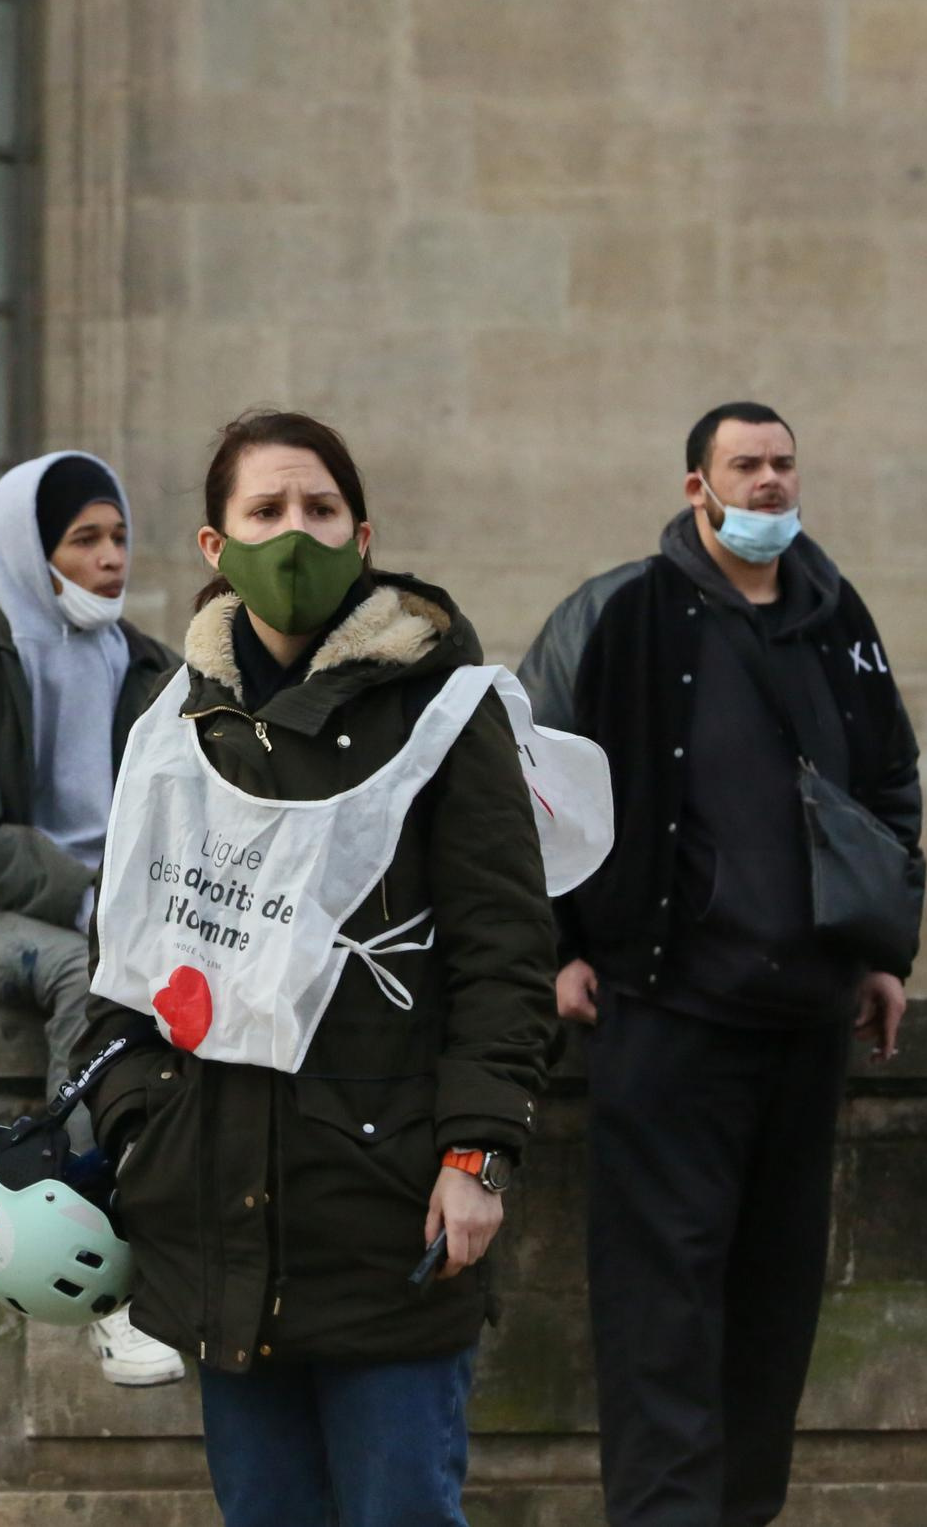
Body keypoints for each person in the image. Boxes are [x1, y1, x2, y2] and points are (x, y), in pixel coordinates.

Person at [79, 410, 563, 1526]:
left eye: (317, 509)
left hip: (390, 1208)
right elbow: (122, 955)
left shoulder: (446, 711)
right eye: (264, 512)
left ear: (362, 533)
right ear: (213, 546)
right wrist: (133, 1121)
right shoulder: (171, 721)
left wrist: (477, 1152)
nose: (292, 533)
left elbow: (504, 951)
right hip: (214, 1209)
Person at [519, 401, 923, 1527]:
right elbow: (529, 782)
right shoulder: (619, 613)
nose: (768, 484)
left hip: (805, 1014)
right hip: (663, 1008)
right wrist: (558, 945)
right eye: (744, 466)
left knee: (775, 1301)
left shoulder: (836, 617)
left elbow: (888, 789)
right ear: (695, 486)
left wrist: (882, 950)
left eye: (783, 465)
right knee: (660, 1303)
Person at [0, 450, 182, 1387]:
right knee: (92, 972)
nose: (112, 557)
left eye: (118, 536)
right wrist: (90, 895)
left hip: (126, 907)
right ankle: (101, 1263)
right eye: (85, 539)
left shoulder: (155, 668)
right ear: (30, 553)